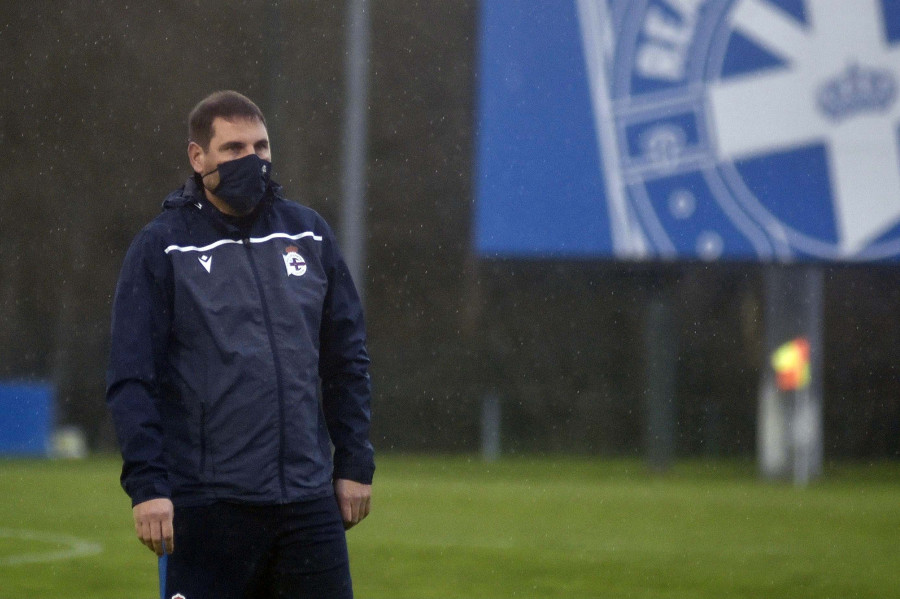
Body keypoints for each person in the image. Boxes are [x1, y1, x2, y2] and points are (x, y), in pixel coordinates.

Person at [106, 90, 374, 599]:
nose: (251, 160)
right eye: (232, 148)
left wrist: (355, 464)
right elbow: (130, 377)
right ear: (197, 157)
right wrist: (148, 488)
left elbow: (347, 360)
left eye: (261, 146)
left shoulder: (310, 234)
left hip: (307, 503)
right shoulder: (162, 247)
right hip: (208, 507)